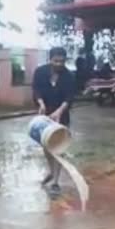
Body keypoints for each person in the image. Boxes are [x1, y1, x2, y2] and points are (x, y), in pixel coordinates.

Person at [32, 47, 76, 191]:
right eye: (56, 61)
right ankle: (52, 171)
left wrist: (59, 111)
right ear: (50, 60)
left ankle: (55, 181)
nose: (59, 64)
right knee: (47, 146)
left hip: (61, 115)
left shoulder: (68, 76)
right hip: (45, 115)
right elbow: (36, 90)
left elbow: (69, 97)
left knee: (59, 147)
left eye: (62, 61)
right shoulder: (40, 72)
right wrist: (41, 104)